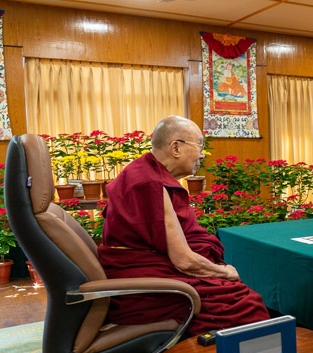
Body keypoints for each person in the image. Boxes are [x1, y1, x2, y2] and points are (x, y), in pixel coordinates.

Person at [98, 115, 270, 338]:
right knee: (244, 304)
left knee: (233, 292)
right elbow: (184, 260)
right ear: (176, 148)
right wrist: (224, 272)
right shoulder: (148, 183)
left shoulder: (148, 174)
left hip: (152, 267)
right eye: (200, 145)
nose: (201, 154)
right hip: (142, 289)